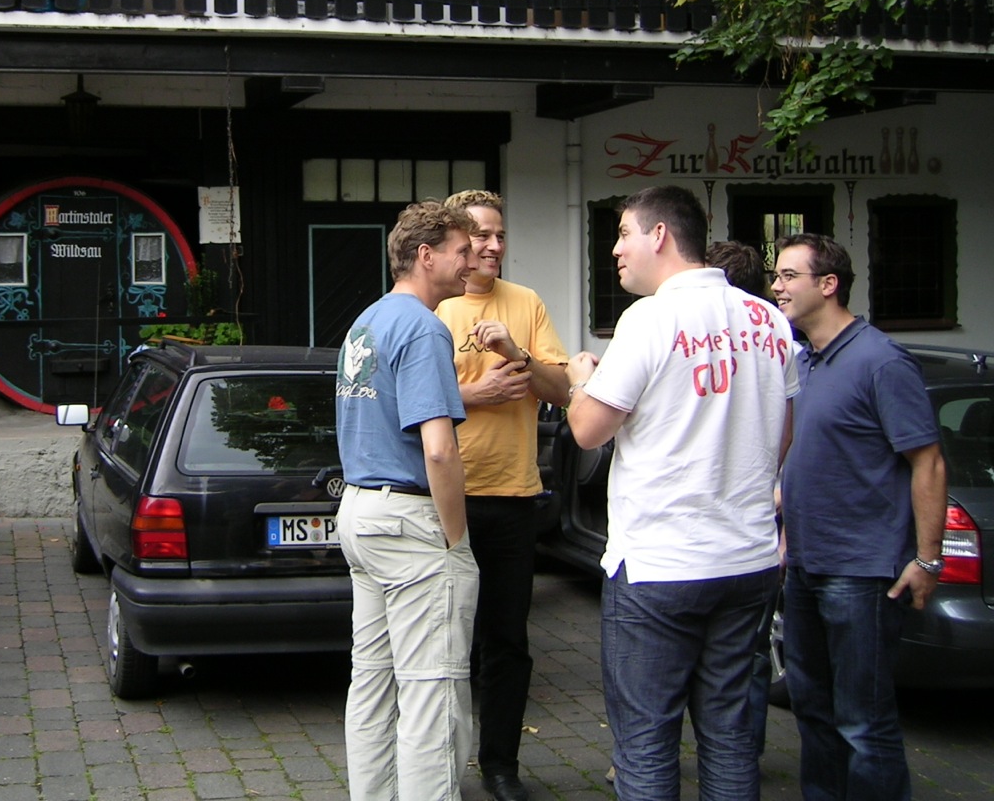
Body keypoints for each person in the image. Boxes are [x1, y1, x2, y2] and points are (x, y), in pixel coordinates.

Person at [565, 185, 798, 801]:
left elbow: (588, 429)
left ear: (661, 235)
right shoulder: (768, 318)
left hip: (660, 569)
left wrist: (580, 381)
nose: (616, 250)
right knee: (730, 739)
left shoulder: (650, 318)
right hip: (748, 562)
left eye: (624, 234)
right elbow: (782, 434)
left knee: (646, 743)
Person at [771, 233, 947, 801]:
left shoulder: (881, 360)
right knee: (812, 709)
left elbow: (928, 462)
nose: (776, 287)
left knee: (863, 724)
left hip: (863, 572)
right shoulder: (804, 361)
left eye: (789, 276)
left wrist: (927, 559)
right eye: (776, 276)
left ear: (829, 284)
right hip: (805, 565)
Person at [335, 200, 482, 801]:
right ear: (426, 256)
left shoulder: (366, 322)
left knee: (371, 682)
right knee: (432, 692)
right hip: (408, 522)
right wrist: (456, 541)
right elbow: (439, 450)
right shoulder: (424, 327)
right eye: (462, 251)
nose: (473, 261)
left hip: (360, 513)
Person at [434, 189, 569, 801]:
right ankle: (439, 764)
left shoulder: (527, 302)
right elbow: (405, 399)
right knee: (446, 641)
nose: (492, 246)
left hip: (514, 495)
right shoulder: (436, 307)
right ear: (457, 244)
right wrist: (476, 393)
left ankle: (500, 766)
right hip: (447, 497)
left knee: (508, 642)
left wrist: (517, 354)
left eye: (500, 235)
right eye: (480, 237)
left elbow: (561, 390)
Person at [706, 240, 778, 760]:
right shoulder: (781, 342)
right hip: (755, 540)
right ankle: (740, 753)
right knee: (745, 658)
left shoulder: (667, 329)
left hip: (690, 547)